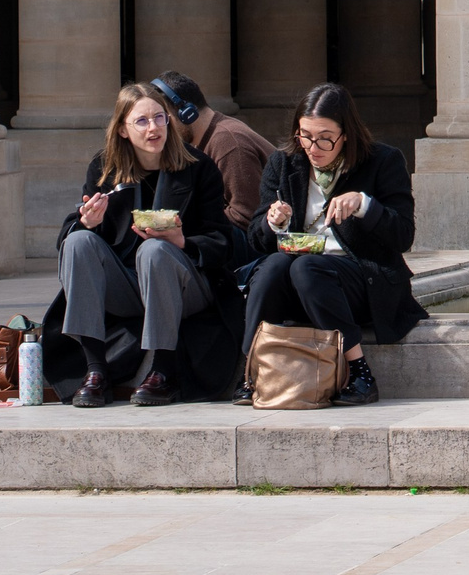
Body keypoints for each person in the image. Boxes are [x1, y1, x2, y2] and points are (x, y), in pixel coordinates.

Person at [42, 82, 242, 408]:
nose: (154, 128)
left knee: (155, 250)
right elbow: (71, 236)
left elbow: (222, 242)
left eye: (160, 118)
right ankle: (95, 372)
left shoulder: (198, 167)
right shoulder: (104, 169)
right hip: (127, 286)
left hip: (185, 284)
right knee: (78, 241)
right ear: (122, 129)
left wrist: (183, 241)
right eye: (142, 121)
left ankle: (162, 372)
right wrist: (86, 223)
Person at [237, 82, 423, 408]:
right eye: (305, 135)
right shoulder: (284, 164)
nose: (313, 146)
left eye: (325, 137)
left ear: (346, 134)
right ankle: (250, 372)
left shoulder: (383, 161)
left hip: (361, 279)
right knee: (273, 267)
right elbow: (256, 239)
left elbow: (403, 236)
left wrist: (366, 206)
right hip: (300, 280)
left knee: (308, 267)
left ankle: (360, 372)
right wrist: (273, 222)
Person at [150, 69, 276, 230]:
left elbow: (246, 217)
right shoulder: (203, 141)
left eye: (163, 118)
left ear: (186, 113)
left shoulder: (228, 143)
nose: (158, 128)